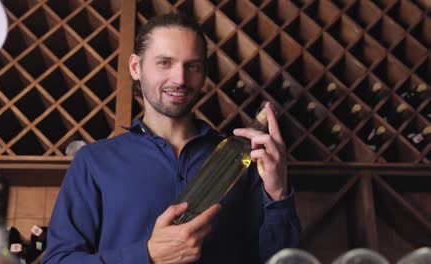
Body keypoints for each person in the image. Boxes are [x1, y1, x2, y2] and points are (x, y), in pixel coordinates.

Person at [41, 13, 300, 264]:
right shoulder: (94, 162)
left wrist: (278, 194)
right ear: (135, 67)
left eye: (193, 66)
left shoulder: (243, 160)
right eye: (164, 62)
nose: (180, 78)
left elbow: (278, 260)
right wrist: (148, 256)